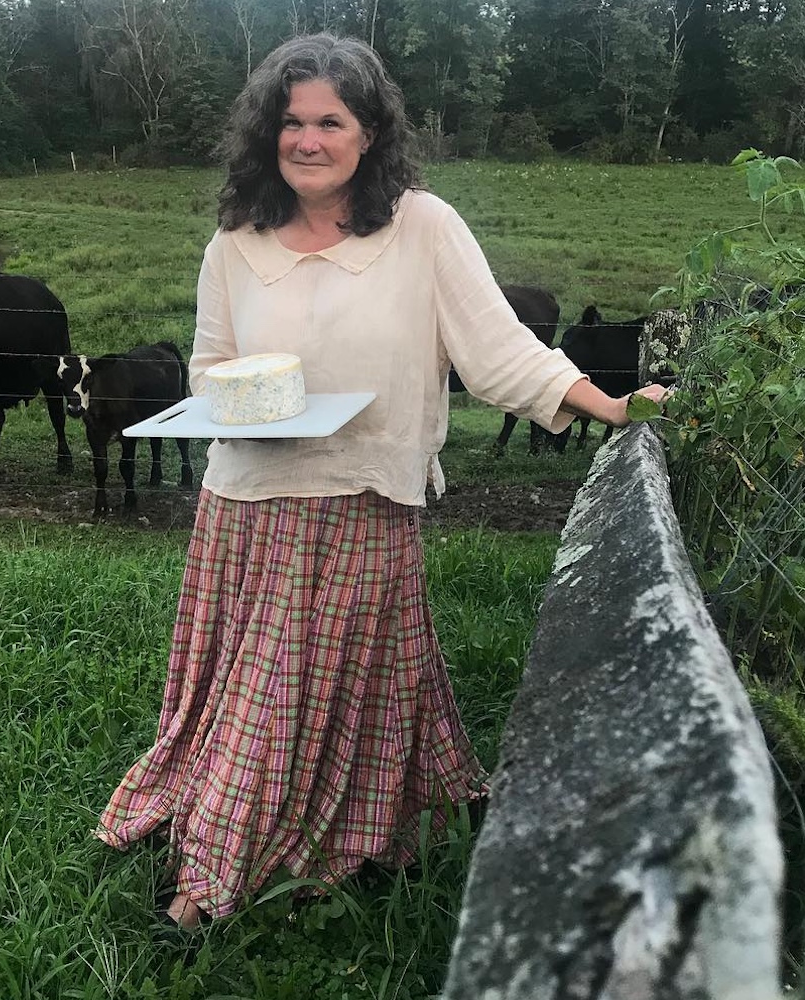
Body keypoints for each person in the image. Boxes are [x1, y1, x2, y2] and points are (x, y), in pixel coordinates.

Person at [95, 32, 670, 930]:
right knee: (261, 683)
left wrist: (614, 405)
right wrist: (239, 400)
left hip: (363, 491)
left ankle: (223, 865)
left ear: (370, 133)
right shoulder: (233, 240)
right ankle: (232, 839)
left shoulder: (424, 227)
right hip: (244, 498)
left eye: (331, 120)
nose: (308, 140)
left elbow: (499, 351)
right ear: (265, 133)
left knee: (305, 681)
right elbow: (211, 365)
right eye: (291, 122)